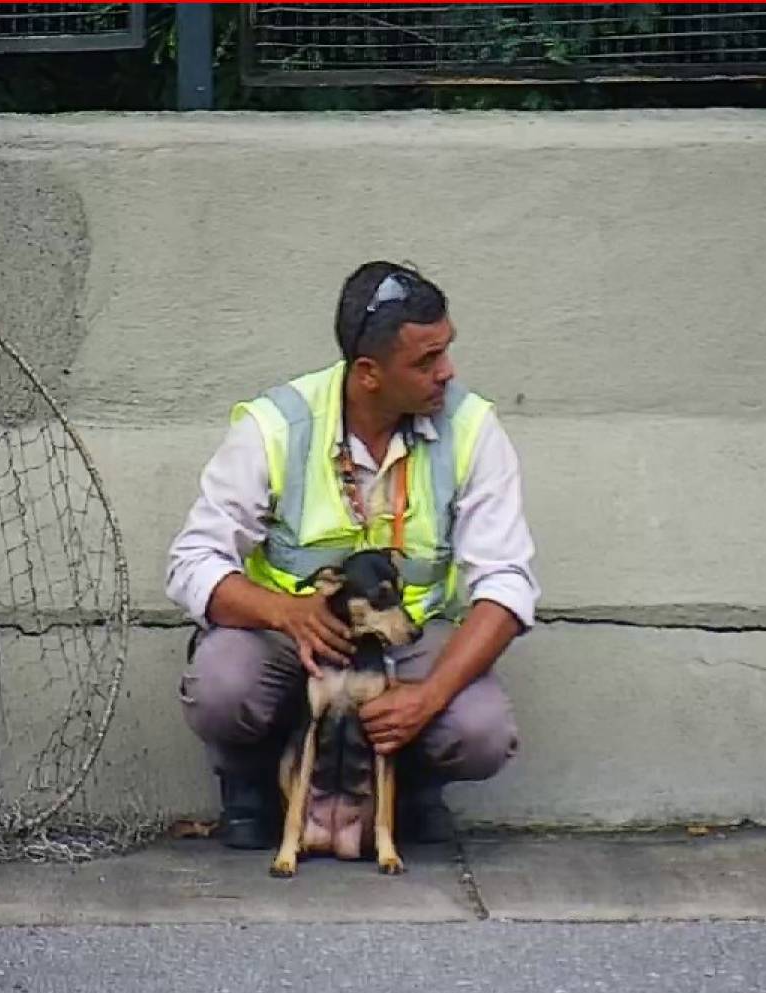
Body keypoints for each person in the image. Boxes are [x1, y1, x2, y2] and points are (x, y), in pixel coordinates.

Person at [167, 261, 540, 848]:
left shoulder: (472, 427)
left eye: (446, 351)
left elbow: (508, 585)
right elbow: (192, 562)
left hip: (405, 643)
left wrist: (430, 696)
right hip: (295, 647)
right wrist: (285, 613)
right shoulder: (278, 425)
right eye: (425, 361)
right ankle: (254, 786)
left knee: (480, 729)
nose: (448, 373)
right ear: (368, 374)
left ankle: (409, 789)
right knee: (222, 683)